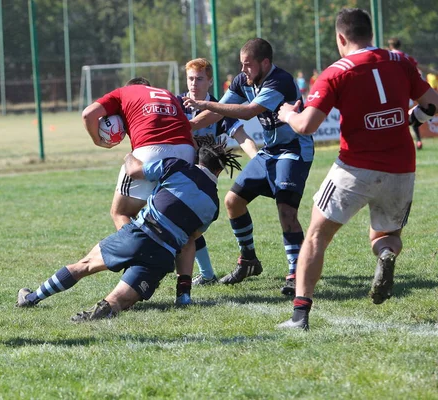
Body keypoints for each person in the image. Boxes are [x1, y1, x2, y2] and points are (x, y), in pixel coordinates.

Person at [277, 8, 436, 330]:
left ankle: (299, 314)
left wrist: (286, 115)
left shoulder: (336, 72)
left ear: (340, 37)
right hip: (402, 167)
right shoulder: (400, 61)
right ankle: (386, 255)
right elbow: (432, 103)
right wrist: (411, 118)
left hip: (355, 167)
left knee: (316, 236)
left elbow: (307, 125)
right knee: (386, 236)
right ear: (370, 33)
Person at [15, 138, 242, 320]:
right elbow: (189, 243)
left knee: (83, 266)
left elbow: (134, 170)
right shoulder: (213, 206)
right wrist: (184, 291)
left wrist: (131, 151)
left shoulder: (179, 166)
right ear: (219, 172)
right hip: (162, 257)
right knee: (120, 301)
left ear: (196, 158)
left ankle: (32, 298)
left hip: (139, 235)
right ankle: (97, 313)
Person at [184, 38, 314, 297]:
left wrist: (206, 103)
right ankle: (248, 261)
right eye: (241, 65)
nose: (243, 70)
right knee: (233, 201)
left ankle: (295, 272)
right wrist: (185, 127)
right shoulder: (244, 81)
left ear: (264, 63)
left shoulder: (280, 81)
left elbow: (248, 111)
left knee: (286, 210)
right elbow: (218, 113)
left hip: (294, 152)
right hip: (271, 152)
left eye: (248, 65)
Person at [82, 77, 197, 304]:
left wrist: (98, 141)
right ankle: (184, 293)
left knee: (121, 212)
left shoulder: (122, 93)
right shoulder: (166, 93)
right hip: (186, 152)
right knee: (182, 225)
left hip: (150, 152)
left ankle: (139, 267)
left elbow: (88, 114)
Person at [178, 58, 257, 285]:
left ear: (210, 81)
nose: (194, 84)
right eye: (191, 79)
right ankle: (205, 273)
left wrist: (257, 158)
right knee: (188, 225)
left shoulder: (218, 108)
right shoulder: (178, 105)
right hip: (181, 171)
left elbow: (241, 136)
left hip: (205, 176)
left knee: (190, 225)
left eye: (200, 79)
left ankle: (206, 273)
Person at [388, 37, 424, 150]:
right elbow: (417, 68)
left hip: (391, 91)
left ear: (390, 46)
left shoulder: (386, 56)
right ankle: (418, 140)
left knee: (394, 117)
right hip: (406, 91)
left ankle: (396, 142)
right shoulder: (406, 56)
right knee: (407, 116)